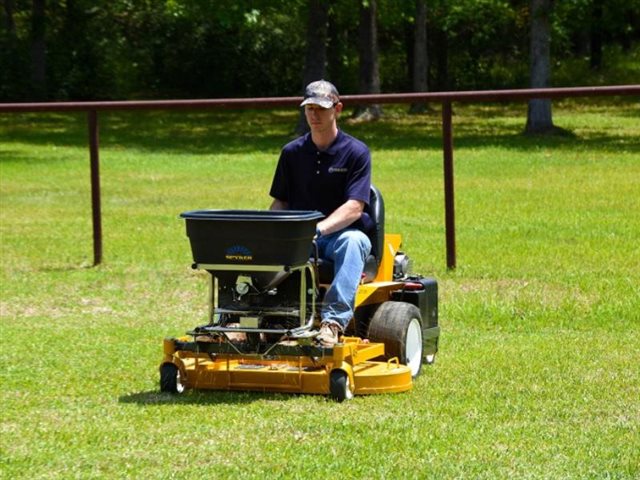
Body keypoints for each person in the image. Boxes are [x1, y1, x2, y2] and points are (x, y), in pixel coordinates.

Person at [269, 80, 372, 347]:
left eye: (321, 109)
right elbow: (280, 202)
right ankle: (253, 320)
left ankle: (332, 324)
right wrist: (271, 230)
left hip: (339, 236)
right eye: (309, 108)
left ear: (338, 109)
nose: (314, 115)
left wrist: (318, 229)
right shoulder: (291, 153)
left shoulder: (356, 152)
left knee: (355, 242)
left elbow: (355, 207)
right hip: (301, 236)